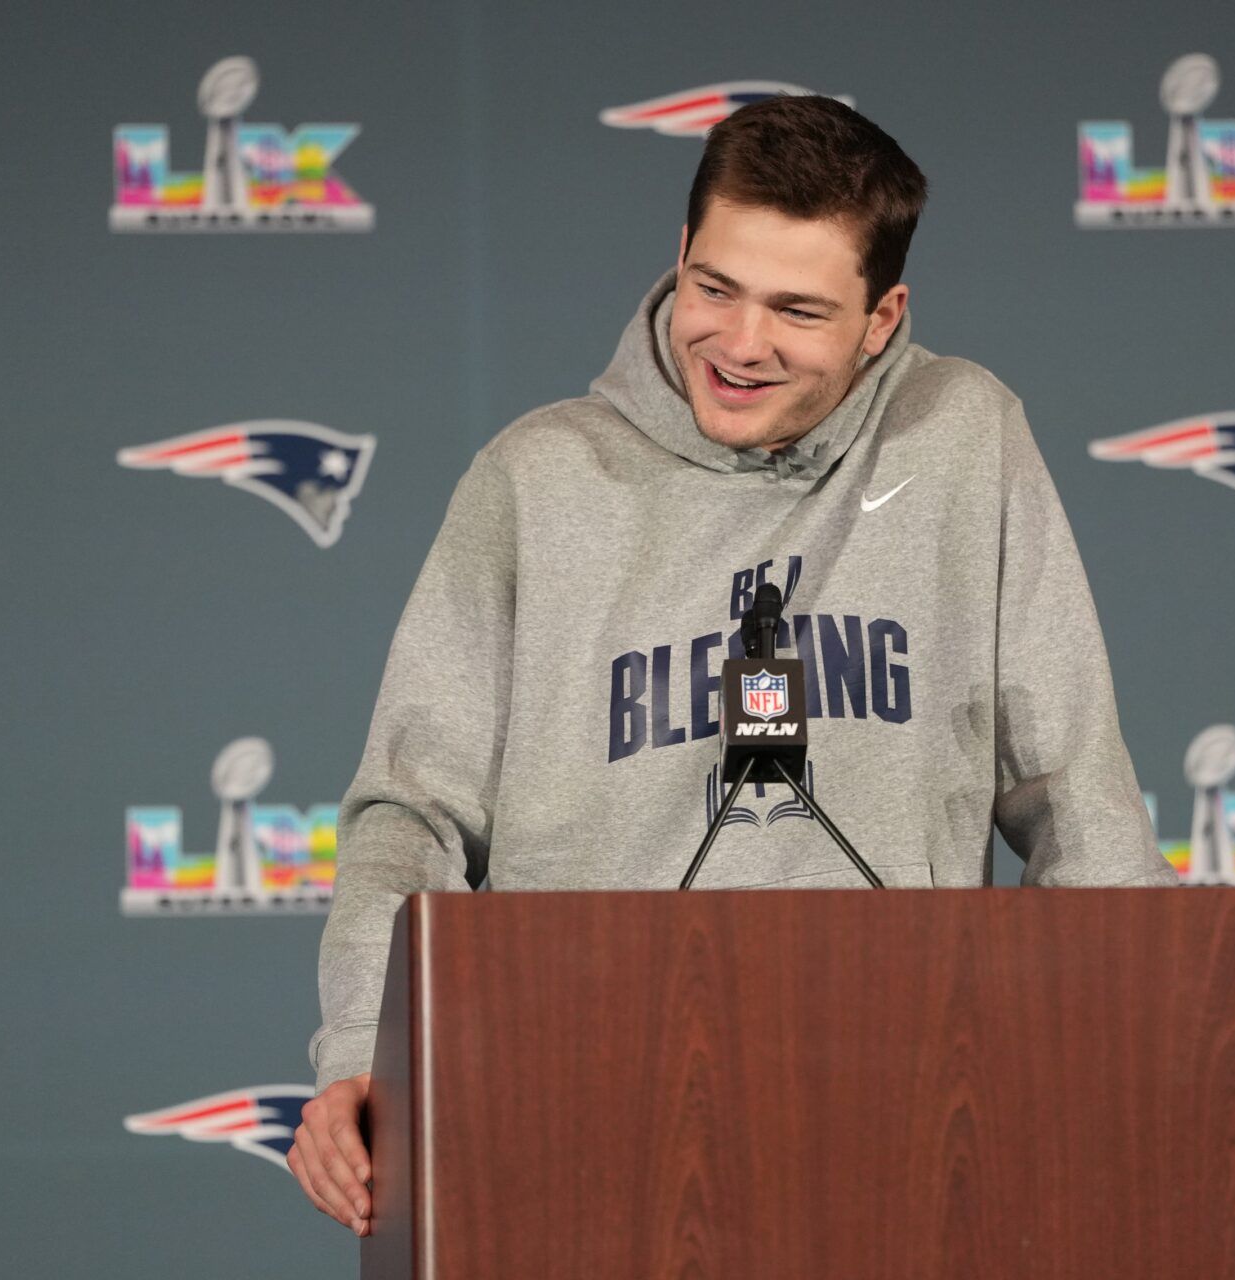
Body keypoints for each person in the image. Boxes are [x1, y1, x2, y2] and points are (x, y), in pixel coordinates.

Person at [286, 95, 1177, 1232]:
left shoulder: (962, 436)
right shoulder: (536, 477)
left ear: (880, 316)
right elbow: (409, 813)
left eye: (798, 309)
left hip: (906, 1108)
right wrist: (370, 1051)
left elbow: (1075, 792)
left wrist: (1130, 1063)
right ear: (680, 257)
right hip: (577, 1108)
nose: (740, 344)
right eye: (716, 287)